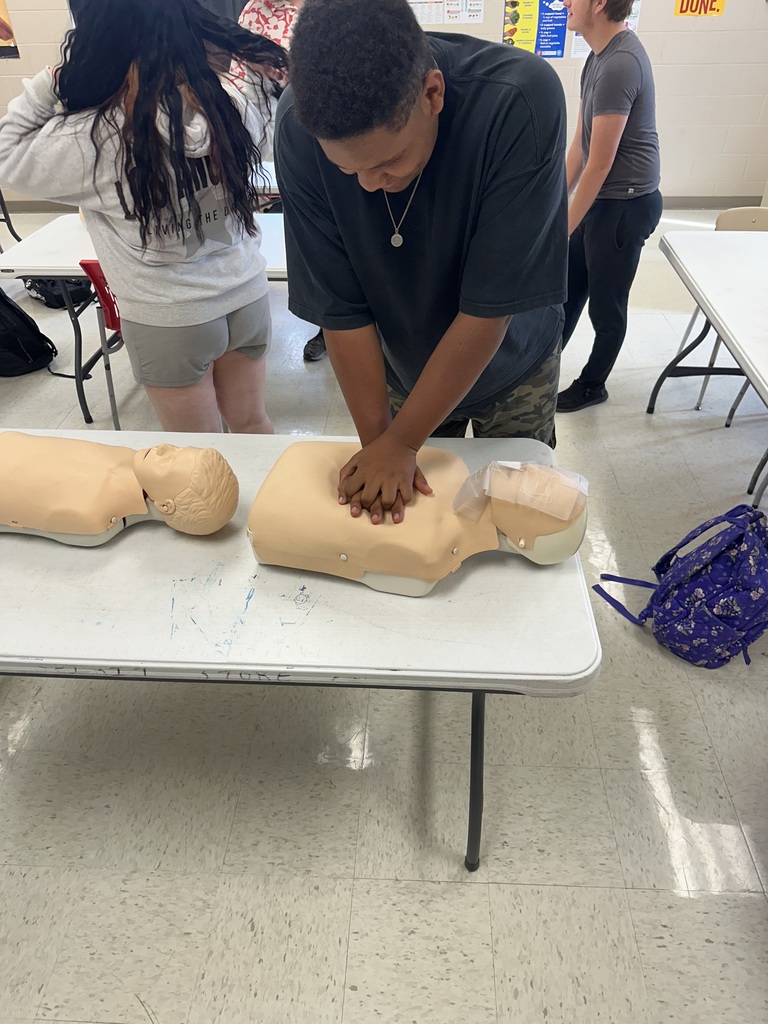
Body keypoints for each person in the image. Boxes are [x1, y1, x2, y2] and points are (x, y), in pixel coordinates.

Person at [274, 0, 568, 526]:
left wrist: (404, 440)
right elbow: (341, 310)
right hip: (400, 359)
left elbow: (489, 311)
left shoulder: (519, 100)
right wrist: (383, 444)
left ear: (432, 94)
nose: (367, 184)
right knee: (423, 520)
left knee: (518, 521)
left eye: (387, 162)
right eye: (347, 169)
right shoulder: (301, 126)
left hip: (513, 359)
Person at [0, 0, 288, 433]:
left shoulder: (99, 138)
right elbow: (265, 91)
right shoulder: (233, 104)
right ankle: (270, 501)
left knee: (197, 452)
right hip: (245, 294)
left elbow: (7, 153)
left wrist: (59, 80)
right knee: (252, 423)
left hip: (168, 316)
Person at [248, 441, 588, 595]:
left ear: (524, 540)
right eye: (536, 473)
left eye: (535, 493)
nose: (529, 474)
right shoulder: (449, 464)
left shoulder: (430, 552)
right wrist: (390, 446)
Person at [557, 0, 662, 412]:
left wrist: (562, 227)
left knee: (606, 305)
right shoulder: (596, 58)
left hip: (625, 206)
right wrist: (552, 208)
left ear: (599, 3)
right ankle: (540, 366)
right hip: (601, 200)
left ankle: (592, 384)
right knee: (564, 294)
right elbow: (580, 147)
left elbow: (600, 164)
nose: (564, 2)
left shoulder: (621, 64)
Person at [236, 0, 328, 363]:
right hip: (276, 130)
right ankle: (327, 322)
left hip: (329, 127)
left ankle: (347, 324)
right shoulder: (253, 12)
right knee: (301, 230)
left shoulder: (329, 7)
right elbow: (244, 81)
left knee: (339, 228)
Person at [0, 432, 239, 543]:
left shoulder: (93, 516)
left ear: (166, 505)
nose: (164, 447)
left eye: (170, 462)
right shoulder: (135, 460)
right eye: (178, 449)